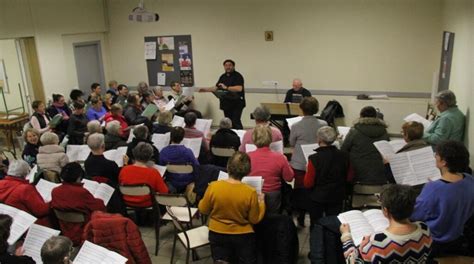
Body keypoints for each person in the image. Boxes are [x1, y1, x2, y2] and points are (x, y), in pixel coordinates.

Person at [199, 152, 265, 263]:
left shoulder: (213, 186)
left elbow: (203, 209)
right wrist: (262, 202)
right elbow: (254, 219)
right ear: (247, 171)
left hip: (217, 233)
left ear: (228, 167)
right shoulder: (251, 192)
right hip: (242, 236)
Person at [411, 140, 474, 257]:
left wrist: (430, 190)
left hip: (434, 242)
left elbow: (415, 215)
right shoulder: (470, 180)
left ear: (444, 162)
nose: (435, 156)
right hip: (458, 238)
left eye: (437, 155)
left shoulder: (433, 188)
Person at [341, 184, 432, 263]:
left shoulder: (377, 241)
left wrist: (346, 236)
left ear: (385, 211)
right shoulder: (424, 228)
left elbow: (353, 262)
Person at [304, 126, 350, 227]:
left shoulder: (314, 158)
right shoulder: (345, 156)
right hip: (337, 195)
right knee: (334, 222)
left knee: (316, 223)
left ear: (319, 139)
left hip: (318, 197)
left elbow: (308, 183)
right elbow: (349, 177)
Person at [51, 162, 106, 245]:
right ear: (79, 176)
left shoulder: (55, 191)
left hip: (65, 230)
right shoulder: (81, 192)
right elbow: (99, 207)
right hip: (84, 231)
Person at [247, 125, 294, 215]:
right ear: (270, 138)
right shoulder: (280, 157)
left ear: (254, 139)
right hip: (273, 195)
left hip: (252, 194)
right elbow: (289, 178)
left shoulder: (247, 157)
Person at [341, 106, 389, 184]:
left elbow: (343, 150)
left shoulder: (355, 131)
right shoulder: (384, 131)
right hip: (379, 173)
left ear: (360, 116)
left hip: (358, 173)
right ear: (375, 116)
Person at [289, 97, 327, 188]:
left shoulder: (296, 125)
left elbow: (291, 142)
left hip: (300, 163)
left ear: (302, 109)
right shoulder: (323, 124)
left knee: (299, 187)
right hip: (318, 161)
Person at [0, 160, 51, 227]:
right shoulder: (25, 189)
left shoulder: (1, 183)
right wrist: (52, 201)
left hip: (10, 224)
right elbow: (41, 211)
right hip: (30, 224)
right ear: (26, 173)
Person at [199, 59, 245, 129]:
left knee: (236, 121)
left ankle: (240, 137)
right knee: (227, 122)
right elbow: (216, 87)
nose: (228, 67)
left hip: (237, 103)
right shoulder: (223, 76)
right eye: (226, 65)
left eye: (230, 65)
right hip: (226, 103)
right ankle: (229, 136)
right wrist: (206, 89)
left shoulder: (238, 76)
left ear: (233, 66)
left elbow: (239, 88)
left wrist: (226, 87)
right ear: (224, 67)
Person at [119, 142, 168, 207]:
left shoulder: (124, 170)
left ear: (134, 154)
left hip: (126, 202)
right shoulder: (153, 172)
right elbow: (164, 192)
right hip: (147, 204)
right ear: (150, 156)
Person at [159, 127, 200, 193]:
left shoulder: (163, 152)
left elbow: (161, 169)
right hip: (187, 184)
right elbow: (197, 167)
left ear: (170, 136)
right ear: (182, 138)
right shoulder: (188, 152)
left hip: (171, 183)